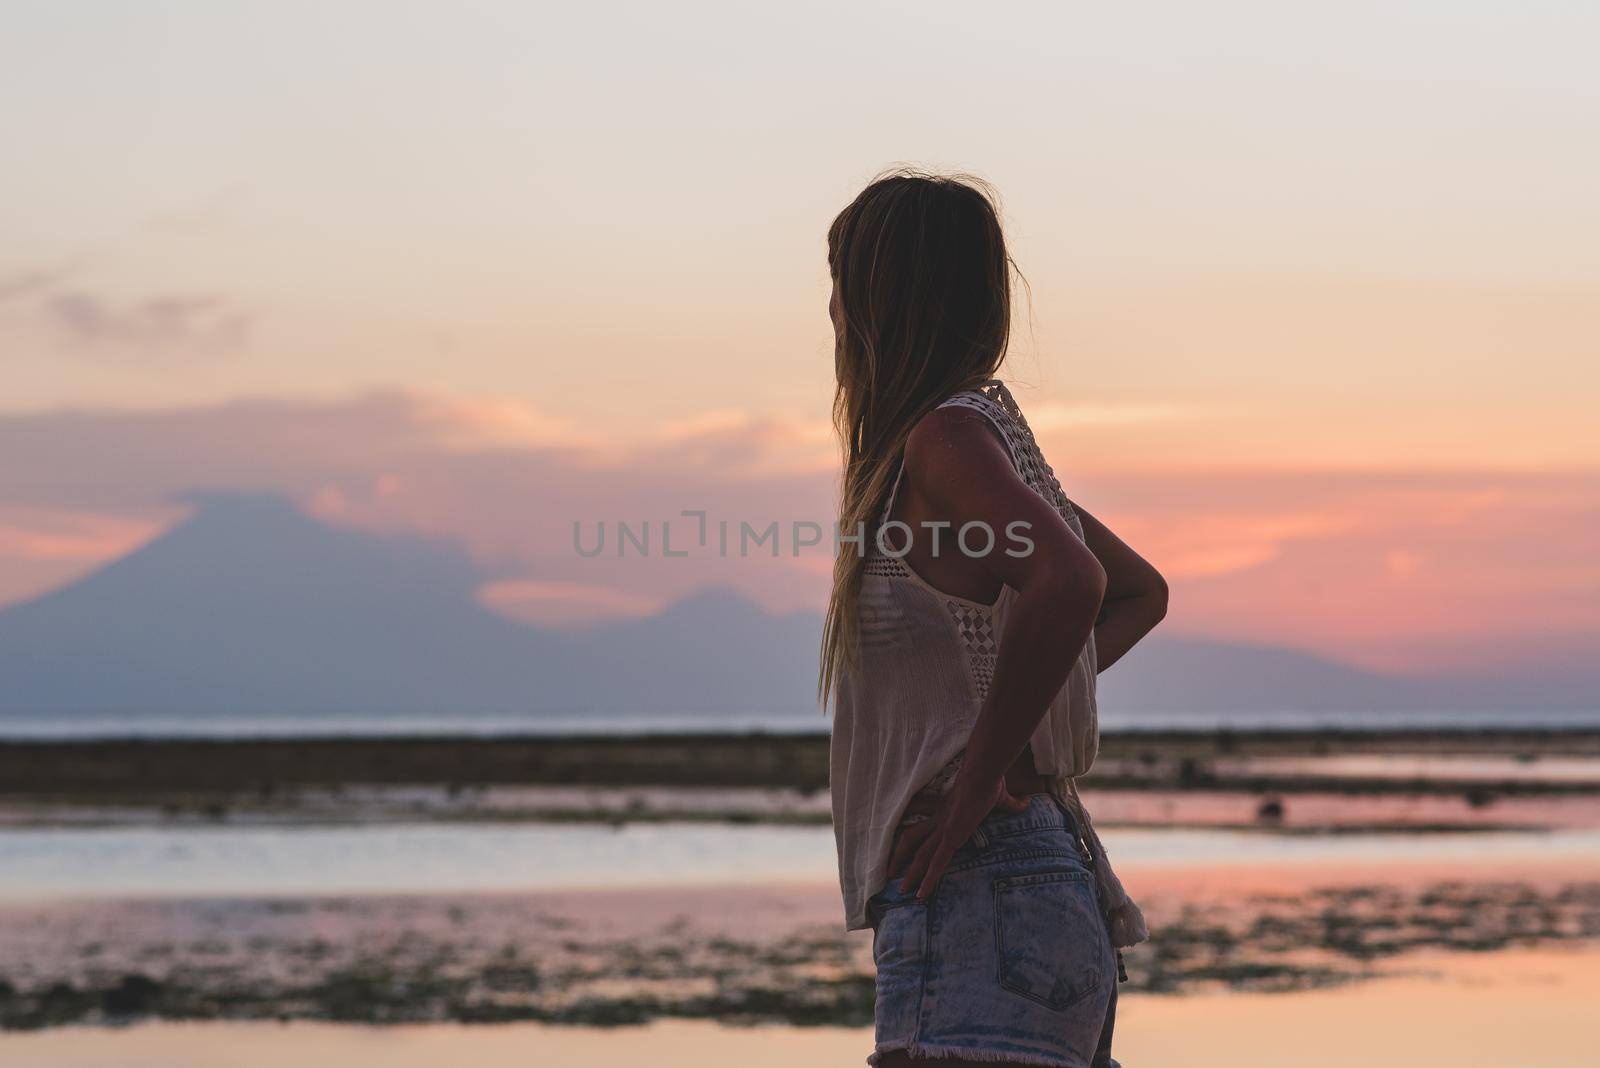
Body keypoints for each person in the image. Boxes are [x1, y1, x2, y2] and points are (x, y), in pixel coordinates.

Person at [822, 169, 1168, 1068]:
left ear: (879, 302)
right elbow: (1135, 591)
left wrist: (979, 773)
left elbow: (1072, 582)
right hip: (1027, 885)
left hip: (984, 884)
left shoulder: (945, 441)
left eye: (841, 284)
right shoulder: (972, 444)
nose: (831, 313)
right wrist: (1010, 722)